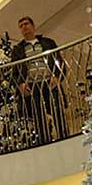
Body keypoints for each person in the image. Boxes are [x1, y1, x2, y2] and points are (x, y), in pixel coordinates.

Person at [11, 16, 66, 145]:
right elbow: (15, 70)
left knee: (57, 110)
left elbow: (59, 61)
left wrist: (57, 76)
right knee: (38, 115)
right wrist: (20, 84)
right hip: (32, 85)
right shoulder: (18, 49)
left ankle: (63, 137)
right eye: (21, 26)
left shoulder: (48, 43)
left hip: (49, 82)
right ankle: (43, 142)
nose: (24, 27)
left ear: (33, 26)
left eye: (26, 24)